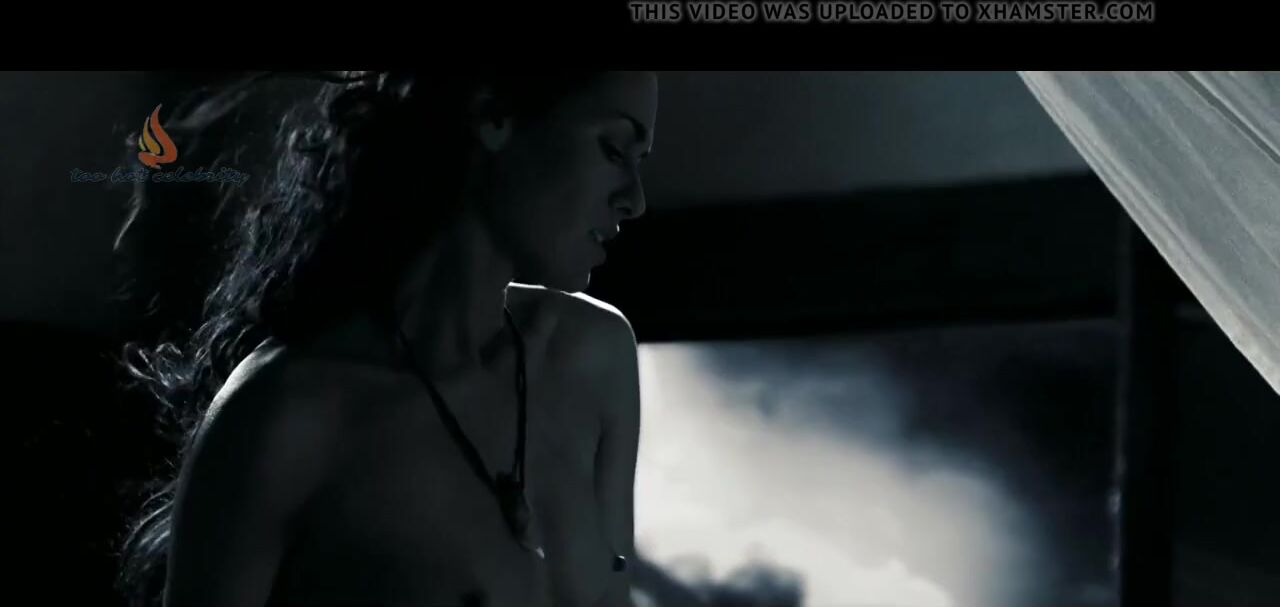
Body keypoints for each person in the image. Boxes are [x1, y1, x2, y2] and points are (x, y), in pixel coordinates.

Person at [118, 70, 657, 607]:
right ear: (493, 116)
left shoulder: (593, 359)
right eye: (613, 150)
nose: (634, 199)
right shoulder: (287, 417)